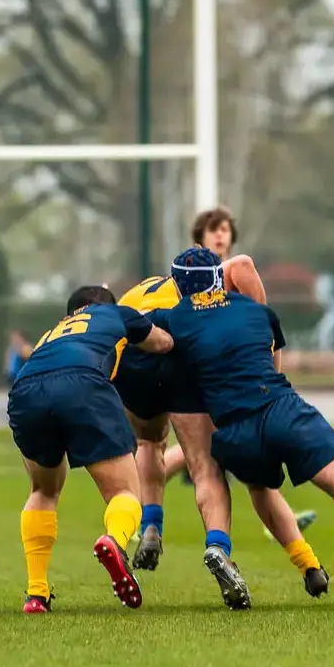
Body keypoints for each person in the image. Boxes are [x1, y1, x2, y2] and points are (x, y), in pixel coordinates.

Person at [153, 247, 334, 612]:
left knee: (262, 490)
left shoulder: (173, 319)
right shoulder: (257, 311)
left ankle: (298, 562)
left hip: (235, 430)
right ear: (219, 279)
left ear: (177, 285)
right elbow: (273, 358)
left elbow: (137, 330)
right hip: (283, 409)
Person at [117, 207, 321, 611]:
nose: (222, 240)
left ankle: (151, 525)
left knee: (148, 443)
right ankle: (233, 550)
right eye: (215, 234)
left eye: (225, 232)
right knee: (218, 469)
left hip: (130, 360)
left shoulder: (147, 288)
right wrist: (267, 349)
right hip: (183, 354)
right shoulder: (214, 291)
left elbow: (119, 320)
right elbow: (243, 266)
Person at [7, 285, 174, 613]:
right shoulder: (116, 313)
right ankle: (114, 540)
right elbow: (163, 343)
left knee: (43, 489)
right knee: (126, 492)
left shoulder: (51, 333)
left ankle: (37, 593)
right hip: (82, 383)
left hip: (26, 392)